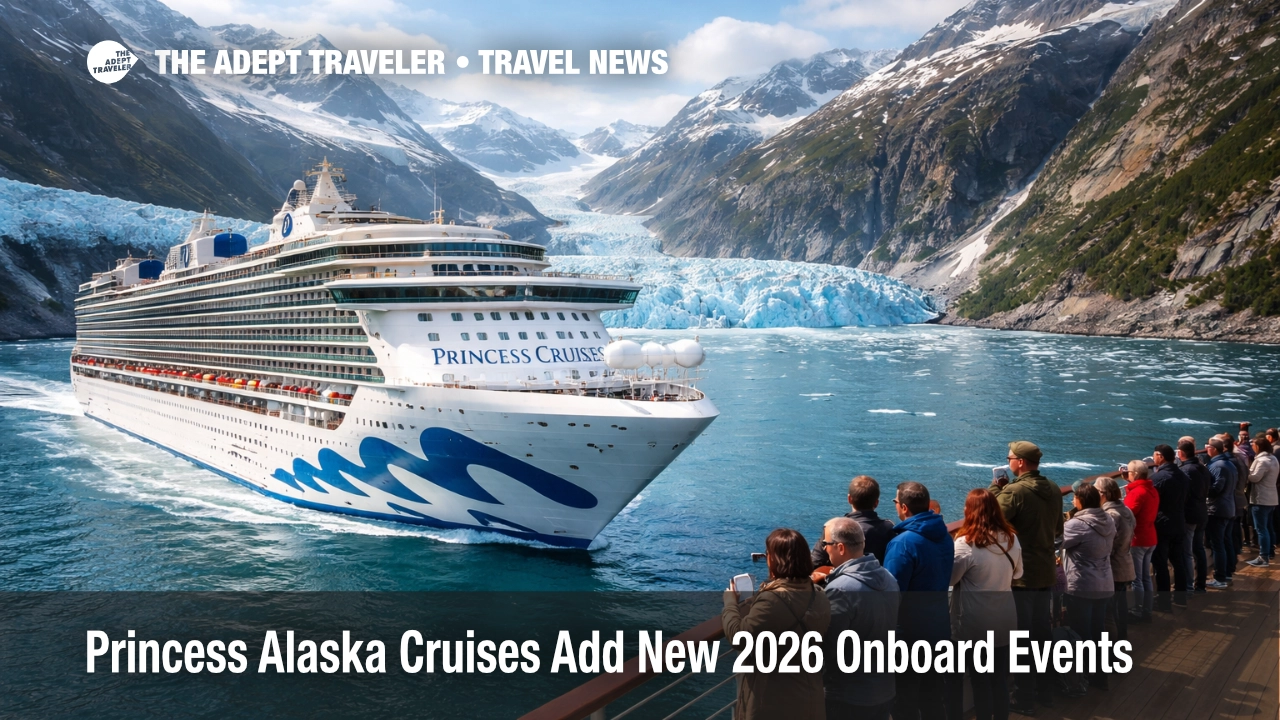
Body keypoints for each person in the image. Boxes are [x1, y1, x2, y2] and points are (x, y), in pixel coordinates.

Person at [722, 528, 831, 720]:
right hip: (809, 697)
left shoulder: (772, 600)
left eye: (767, 555)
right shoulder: (819, 595)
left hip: (772, 702)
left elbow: (739, 637)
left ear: (774, 559)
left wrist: (730, 603)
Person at [987, 440, 1062, 714]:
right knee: (1042, 636)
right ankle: (1045, 693)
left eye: (1010, 457)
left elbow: (991, 520)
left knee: (1021, 640)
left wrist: (996, 490)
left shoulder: (1014, 492)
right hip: (1045, 571)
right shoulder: (1053, 489)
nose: (1008, 461)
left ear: (1019, 462)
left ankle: (1024, 699)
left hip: (1020, 576)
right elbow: (1057, 528)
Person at [947, 489, 1022, 720]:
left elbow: (951, 579)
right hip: (1005, 617)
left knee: (980, 680)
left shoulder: (966, 543)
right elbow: (1018, 574)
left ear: (970, 511)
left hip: (976, 621)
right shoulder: (1011, 537)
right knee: (999, 678)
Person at [884, 481, 953, 720]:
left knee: (905, 700)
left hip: (909, 634)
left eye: (895, 502)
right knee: (933, 696)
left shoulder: (903, 543)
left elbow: (891, 593)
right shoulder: (944, 535)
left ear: (903, 507)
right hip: (939, 627)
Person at [820, 517, 899, 720]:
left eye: (826, 544)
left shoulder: (840, 589)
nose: (824, 549)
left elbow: (829, 645)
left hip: (849, 695)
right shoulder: (889, 578)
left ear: (840, 548)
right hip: (884, 688)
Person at [1061, 483, 1116, 689]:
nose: (1072, 501)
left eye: (1074, 498)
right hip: (1104, 582)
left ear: (1081, 501)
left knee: (1081, 633)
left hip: (1083, 584)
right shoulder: (1108, 519)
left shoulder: (1077, 524)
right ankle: (1100, 677)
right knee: (1097, 630)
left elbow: (1056, 541)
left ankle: (1081, 678)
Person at [811, 475, 896, 569]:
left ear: (849, 499)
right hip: (880, 580)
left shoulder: (834, 528)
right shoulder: (890, 528)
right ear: (876, 502)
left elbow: (815, 562)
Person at [1149, 444, 1189, 609]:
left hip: (1163, 524)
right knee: (1178, 560)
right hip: (1179, 522)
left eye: (1154, 456)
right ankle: (1181, 598)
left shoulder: (1158, 478)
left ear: (1160, 456)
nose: (1153, 459)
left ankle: (1164, 601)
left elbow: (1151, 502)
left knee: (1160, 563)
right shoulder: (1183, 476)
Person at [1096, 476, 1135, 640]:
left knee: (1109, 612)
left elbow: (1107, 544)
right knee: (1120, 605)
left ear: (1102, 494)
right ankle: (1122, 639)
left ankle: (1113, 648)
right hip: (1125, 563)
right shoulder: (1126, 510)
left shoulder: (1110, 515)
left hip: (1113, 567)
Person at [1123, 460, 1158, 623]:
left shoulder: (1137, 493)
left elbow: (1126, 516)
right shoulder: (1152, 490)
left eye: (1128, 472)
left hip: (1139, 539)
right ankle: (1147, 609)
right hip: (1150, 537)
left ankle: (1138, 609)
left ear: (1135, 474)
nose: (1126, 474)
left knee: (1137, 578)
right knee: (1145, 577)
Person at [1204, 437, 1237, 589]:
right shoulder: (1229, 464)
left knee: (1218, 545)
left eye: (1208, 447)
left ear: (1214, 449)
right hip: (1228, 506)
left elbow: (1217, 488)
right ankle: (1228, 572)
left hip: (1218, 509)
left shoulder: (1218, 466)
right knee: (1224, 541)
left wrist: (1202, 490)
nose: (1206, 449)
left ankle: (1220, 577)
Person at [1177, 439, 1210, 592]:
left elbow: (1183, 493)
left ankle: (1188, 586)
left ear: (1181, 453)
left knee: (1187, 552)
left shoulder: (1186, 470)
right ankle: (1201, 584)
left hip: (1190, 514)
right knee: (1199, 548)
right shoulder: (1202, 467)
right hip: (1202, 511)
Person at [1246, 437, 1279, 567]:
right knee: (1269, 527)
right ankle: (1270, 551)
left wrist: (1245, 472)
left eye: (1253, 445)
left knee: (1261, 529)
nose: (1252, 447)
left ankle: (1263, 557)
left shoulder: (1262, 461)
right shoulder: (1273, 458)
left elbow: (1255, 478)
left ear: (1258, 447)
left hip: (1261, 499)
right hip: (1272, 498)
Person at [1224, 433, 1252, 560]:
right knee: (1235, 526)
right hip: (1239, 497)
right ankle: (1237, 550)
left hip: (1232, 499)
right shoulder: (1240, 459)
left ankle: (1232, 558)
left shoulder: (1229, 462)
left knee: (1230, 530)